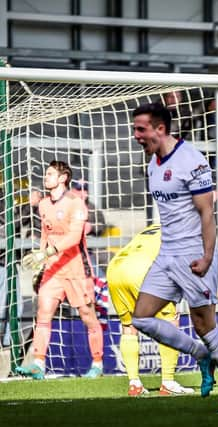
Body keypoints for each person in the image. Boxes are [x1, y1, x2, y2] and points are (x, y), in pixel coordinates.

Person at [130, 103, 218, 414]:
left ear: (160, 128)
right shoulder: (153, 164)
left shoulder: (191, 160)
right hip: (166, 254)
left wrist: (208, 256)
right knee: (141, 317)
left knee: (205, 325)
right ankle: (200, 354)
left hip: (194, 255)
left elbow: (206, 213)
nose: (136, 136)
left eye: (141, 129)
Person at [16, 160, 104, 380]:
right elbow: (45, 236)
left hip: (76, 268)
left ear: (63, 178)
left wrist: (46, 253)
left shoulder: (76, 203)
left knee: (87, 315)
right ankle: (38, 364)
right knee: (43, 313)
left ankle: (97, 363)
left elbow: (74, 238)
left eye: (49, 174)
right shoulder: (44, 204)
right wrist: (41, 261)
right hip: (53, 268)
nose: (45, 178)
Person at [107, 224, 195, 396]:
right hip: (143, 269)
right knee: (171, 321)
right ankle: (168, 382)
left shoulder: (154, 227)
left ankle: (134, 383)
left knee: (129, 326)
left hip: (116, 268)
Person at [70, 179, 109, 277]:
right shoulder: (65, 206)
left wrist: (91, 227)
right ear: (72, 191)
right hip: (70, 247)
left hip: (91, 247)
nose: (83, 193)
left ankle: (104, 286)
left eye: (85, 190)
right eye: (79, 190)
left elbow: (101, 225)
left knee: (109, 258)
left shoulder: (92, 208)